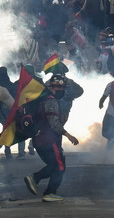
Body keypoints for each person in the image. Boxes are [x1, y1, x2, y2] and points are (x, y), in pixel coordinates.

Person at [23, 74, 79, 203]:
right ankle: (42, 185)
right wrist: (68, 135)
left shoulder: (47, 100)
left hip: (42, 140)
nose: (62, 91)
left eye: (63, 88)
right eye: (60, 88)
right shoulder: (50, 101)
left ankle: (44, 186)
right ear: (53, 88)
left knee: (56, 165)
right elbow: (53, 123)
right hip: (48, 141)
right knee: (59, 166)